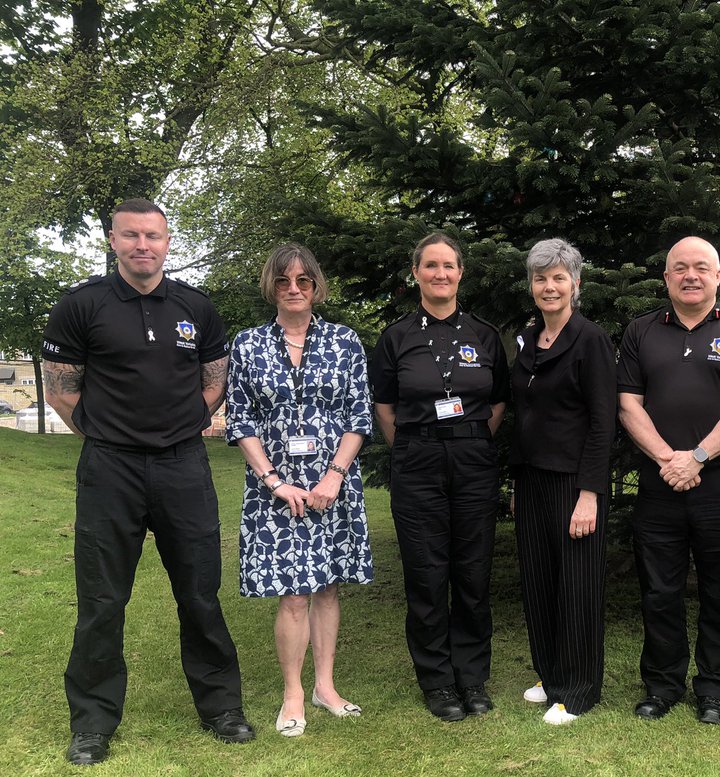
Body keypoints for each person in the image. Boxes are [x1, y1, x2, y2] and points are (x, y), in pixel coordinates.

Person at [42, 198, 253, 765]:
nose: (143, 245)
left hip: (182, 466)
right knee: (103, 599)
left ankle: (221, 707)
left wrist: (181, 423)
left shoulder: (195, 307)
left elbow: (215, 381)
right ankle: (92, 722)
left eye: (153, 236)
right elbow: (61, 390)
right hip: (110, 469)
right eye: (131, 235)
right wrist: (102, 431)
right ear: (112, 240)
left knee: (199, 592)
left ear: (167, 241)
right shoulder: (81, 305)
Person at [616, 236, 720, 725]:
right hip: (659, 483)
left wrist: (698, 457)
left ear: (718, 276)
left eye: (701, 267)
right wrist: (669, 459)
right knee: (658, 591)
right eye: (679, 268)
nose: (690, 275)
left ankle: (714, 690)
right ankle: (661, 686)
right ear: (666, 278)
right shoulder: (641, 331)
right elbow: (628, 405)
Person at [225, 244, 374, 738]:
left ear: (316, 286)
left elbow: (358, 415)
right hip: (274, 488)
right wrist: (273, 480)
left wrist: (334, 475)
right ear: (272, 285)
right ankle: (293, 692)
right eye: (284, 280)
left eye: (303, 281)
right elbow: (240, 419)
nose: (294, 289)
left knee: (328, 588)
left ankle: (325, 686)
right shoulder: (247, 345)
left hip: (334, 484)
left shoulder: (344, 341)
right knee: (292, 596)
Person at [370, 232, 509, 722]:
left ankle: (472, 678)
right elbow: (384, 405)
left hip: (473, 458)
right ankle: (437, 682)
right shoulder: (397, 336)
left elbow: (498, 402)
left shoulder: (484, 334)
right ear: (417, 274)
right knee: (427, 574)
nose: (440, 274)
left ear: (460, 273)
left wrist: (468, 438)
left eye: (449, 266)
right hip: (418, 459)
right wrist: (415, 446)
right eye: (431, 266)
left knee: (472, 572)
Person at [510, 238, 616, 725]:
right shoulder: (529, 339)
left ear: (576, 283)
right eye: (540, 278)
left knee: (576, 585)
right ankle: (550, 676)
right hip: (532, 479)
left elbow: (602, 421)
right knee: (539, 581)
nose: (548, 286)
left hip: (575, 483)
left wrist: (590, 494)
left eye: (558, 277)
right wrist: (515, 485)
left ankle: (578, 690)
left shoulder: (589, 338)